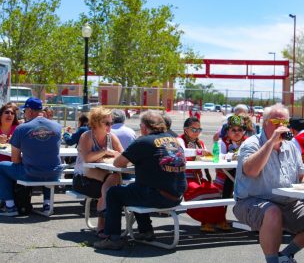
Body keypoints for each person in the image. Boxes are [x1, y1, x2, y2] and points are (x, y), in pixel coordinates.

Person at [233, 103, 304, 262]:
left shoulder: (291, 146)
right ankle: (272, 261)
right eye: (275, 122)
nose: (281, 127)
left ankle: (286, 255)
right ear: (265, 123)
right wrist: (271, 142)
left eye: (284, 123)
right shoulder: (251, 144)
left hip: (288, 203)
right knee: (272, 212)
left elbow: (301, 176)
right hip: (252, 202)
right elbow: (251, 171)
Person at [94, 111, 187, 250]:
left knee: (114, 193)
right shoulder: (174, 140)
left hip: (158, 196)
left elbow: (118, 163)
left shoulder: (143, 141)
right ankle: (145, 231)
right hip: (177, 197)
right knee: (136, 188)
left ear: (144, 127)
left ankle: (112, 238)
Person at [0, 97, 63, 216]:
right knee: (47, 166)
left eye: (24, 111)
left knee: (1, 167)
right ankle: (47, 204)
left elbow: (15, 159)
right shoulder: (57, 127)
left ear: (29, 111)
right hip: (54, 174)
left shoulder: (21, 128)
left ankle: (10, 206)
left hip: (31, 173)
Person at [72, 107, 123, 237]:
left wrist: (112, 155)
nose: (110, 126)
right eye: (107, 123)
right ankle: (104, 224)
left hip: (105, 176)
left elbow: (123, 155)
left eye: (111, 123)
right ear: (95, 123)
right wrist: (105, 152)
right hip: (82, 179)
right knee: (110, 185)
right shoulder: (86, 136)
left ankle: (103, 225)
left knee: (111, 181)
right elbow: (87, 158)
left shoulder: (111, 136)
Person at [177, 117, 227, 232]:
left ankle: (219, 220)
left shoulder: (200, 143)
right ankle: (206, 221)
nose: (197, 132)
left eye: (199, 130)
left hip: (198, 177)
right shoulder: (179, 140)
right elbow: (182, 152)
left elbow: (206, 156)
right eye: (194, 129)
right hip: (184, 178)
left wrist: (212, 156)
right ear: (185, 129)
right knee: (198, 191)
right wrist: (199, 152)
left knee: (214, 189)